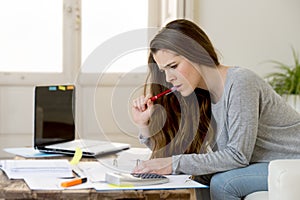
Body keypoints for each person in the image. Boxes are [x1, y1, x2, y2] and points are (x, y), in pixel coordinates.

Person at [131, 19, 300, 200]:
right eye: (164, 70)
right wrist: (144, 126)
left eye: (173, 66)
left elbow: (238, 156)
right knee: (198, 176)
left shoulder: (240, 82)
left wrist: (174, 163)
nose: (169, 77)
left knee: (224, 183)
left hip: (292, 162)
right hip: (267, 163)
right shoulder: (202, 96)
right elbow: (171, 151)